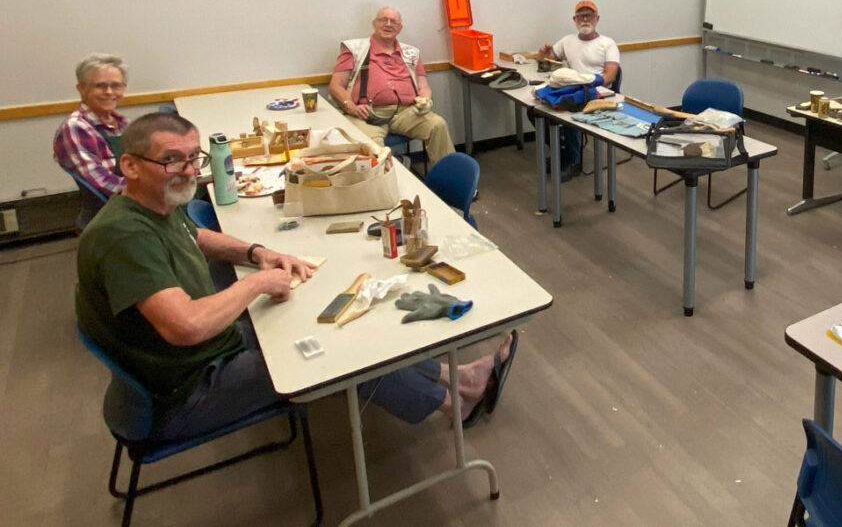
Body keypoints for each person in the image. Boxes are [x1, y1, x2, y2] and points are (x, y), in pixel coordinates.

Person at [75, 112, 515, 440]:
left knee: (332, 326)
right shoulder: (124, 237)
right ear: (130, 166)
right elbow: (185, 326)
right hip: (184, 392)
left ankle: (454, 377)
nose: (189, 171)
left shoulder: (150, 205)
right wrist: (256, 282)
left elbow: (198, 237)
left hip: (205, 355)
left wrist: (257, 253)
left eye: (194, 158)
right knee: (341, 352)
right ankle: (451, 403)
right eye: (172, 161)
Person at [329, 7, 454, 167]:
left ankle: (446, 177)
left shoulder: (411, 53)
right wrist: (352, 108)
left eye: (393, 22)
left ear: (400, 28)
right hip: (366, 114)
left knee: (437, 125)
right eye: (383, 20)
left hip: (406, 111)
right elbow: (336, 85)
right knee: (372, 148)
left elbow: (423, 86)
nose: (388, 24)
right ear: (374, 23)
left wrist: (425, 100)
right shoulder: (354, 49)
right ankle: (391, 177)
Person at [535, 0, 620, 180]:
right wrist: (543, 55)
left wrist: (587, 83)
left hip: (597, 92)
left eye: (589, 15)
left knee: (569, 113)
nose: (585, 19)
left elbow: (611, 76)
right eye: (581, 16)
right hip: (571, 89)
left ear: (597, 19)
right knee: (535, 111)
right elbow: (549, 60)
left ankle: (574, 161)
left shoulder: (608, 43)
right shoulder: (567, 41)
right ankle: (562, 151)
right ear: (574, 19)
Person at [53, 53, 132, 196]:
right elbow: (105, 184)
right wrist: (150, 188)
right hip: (115, 206)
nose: (109, 92)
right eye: (100, 86)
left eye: (116, 86)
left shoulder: (124, 124)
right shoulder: (76, 128)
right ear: (82, 89)